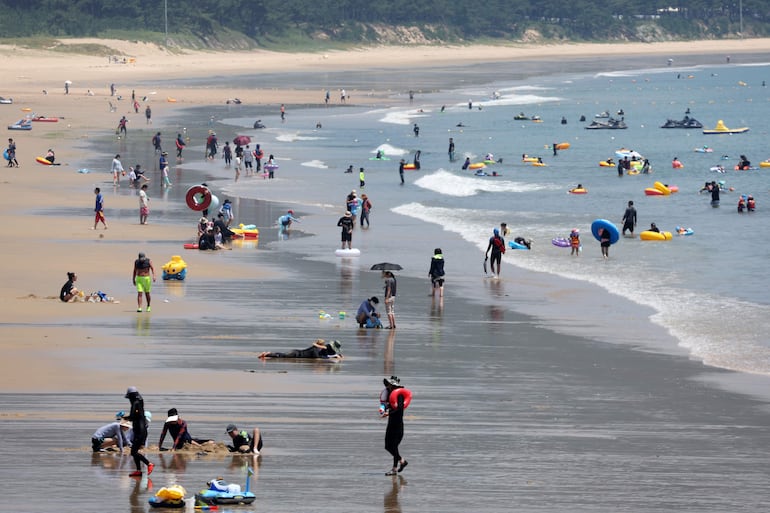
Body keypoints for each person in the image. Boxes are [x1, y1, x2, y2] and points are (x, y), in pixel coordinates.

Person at [124, 386, 153, 477]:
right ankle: (138, 471)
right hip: (142, 431)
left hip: (139, 432)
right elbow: (136, 416)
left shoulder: (135, 403)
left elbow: (132, 417)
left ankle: (149, 464)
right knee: (134, 451)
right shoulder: (140, 402)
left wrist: (125, 418)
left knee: (133, 452)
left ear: (131, 396)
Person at [382, 376, 408, 476]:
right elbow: (391, 406)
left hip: (398, 424)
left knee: (394, 446)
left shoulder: (399, 395)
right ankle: (402, 461)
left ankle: (394, 468)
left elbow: (400, 409)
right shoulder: (390, 395)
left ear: (393, 385)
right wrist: (384, 408)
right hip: (391, 423)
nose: (387, 386)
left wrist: (388, 414)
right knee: (387, 446)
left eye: (389, 384)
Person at [258, 339, 343, 359]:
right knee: (282, 356)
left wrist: (336, 355)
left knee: (282, 355)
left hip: (296, 352)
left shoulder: (319, 349)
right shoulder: (315, 350)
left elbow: (326, 354)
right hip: (296, 354)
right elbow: (318, 357)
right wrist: (333, 356)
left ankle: (267, 354)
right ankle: (267, 354)